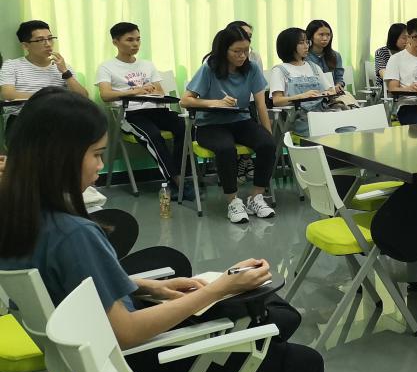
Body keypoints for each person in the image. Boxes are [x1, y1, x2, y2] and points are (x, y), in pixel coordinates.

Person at [0, 90, 324, 372]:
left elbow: (73, 289)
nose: (101, 165)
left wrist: (147, 287)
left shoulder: (21, 217)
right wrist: (218, 289)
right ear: (59, 157)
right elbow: (126, 332)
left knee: (270, 332)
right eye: (96, 154)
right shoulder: (74, 234)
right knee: (299, 359)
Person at [181, 26, 277, 224]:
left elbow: (261, 105)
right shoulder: (209, 68)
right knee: (226, 149)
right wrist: (215, 102)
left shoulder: (252, 69)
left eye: (246, 51)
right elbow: (185, 100)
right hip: (210, 124)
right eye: (237, 51)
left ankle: (256, 197)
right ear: (224, 50)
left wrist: (267, 134)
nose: (242, 56)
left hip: (241, 121)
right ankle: (233, 201)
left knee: (268, 144)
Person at [95, 22, 186, 187]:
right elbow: (105, 95)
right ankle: (176, 182)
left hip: (155, 110)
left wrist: (151, 90)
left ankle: (179, 172)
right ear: (115, 42)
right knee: (153, 135)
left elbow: (160, 91)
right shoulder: (106, 67)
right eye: (130, 40)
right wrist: (134, 91)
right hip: (130, 114)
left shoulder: (147, 64)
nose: (135, 44)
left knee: (185, 126)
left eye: (138, 39)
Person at [0, 20, 90, 108]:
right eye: (40, 40)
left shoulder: (63, 66)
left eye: (50, 39)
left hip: (58, 114)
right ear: (25, 46)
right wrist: (52, 98)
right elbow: (8, 94)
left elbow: (83, 97)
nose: (48, 44)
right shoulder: (11, 65)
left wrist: (65, 72)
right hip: (23, 114)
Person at [268, 27, 337, 134]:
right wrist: (301, 96)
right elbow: (277, 101)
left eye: (307, 42)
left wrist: (328, 93)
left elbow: (331, 90)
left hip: (323, 113)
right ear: (289, 45)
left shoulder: (314, 67)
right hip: (299, 118)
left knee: (345, 126)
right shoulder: (279, 70)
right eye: (301, 43)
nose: (306, 46)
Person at [305, 19, 344, 88]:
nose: (325, 38)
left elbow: (339, 78)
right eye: (321, 34)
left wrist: (338, 85)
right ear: (311, 36)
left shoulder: (335, 55)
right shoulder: (304, 56)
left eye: (328, 35)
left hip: (332, 92)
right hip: (312, 93)